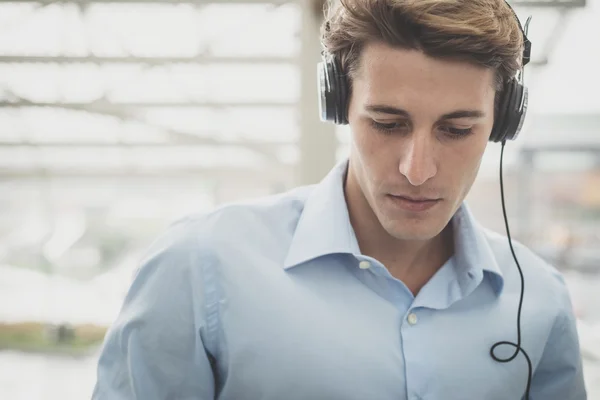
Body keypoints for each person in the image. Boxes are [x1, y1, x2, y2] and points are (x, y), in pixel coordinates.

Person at [92, 0, 586, 399]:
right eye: (388, 124)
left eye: (456, 130)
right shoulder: (197, 267)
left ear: (502, 124)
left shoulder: (540, 301)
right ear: (340, 103)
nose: (418, 170)